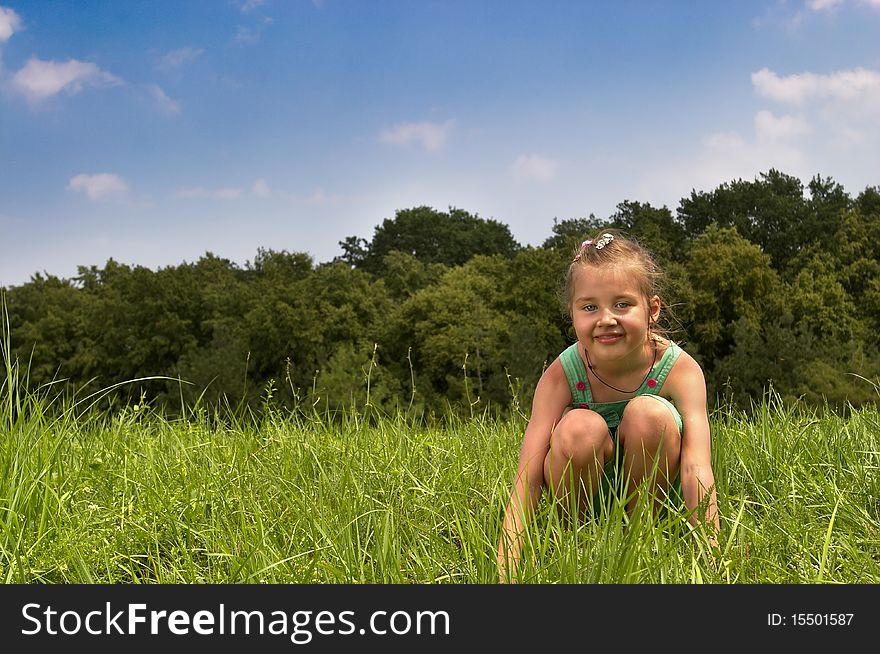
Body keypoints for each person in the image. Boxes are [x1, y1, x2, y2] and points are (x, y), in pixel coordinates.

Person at [497, 230, 720, 582]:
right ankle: (573, 541)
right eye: (589, 307)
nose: (606, 319)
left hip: (653, 499)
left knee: (650, 415)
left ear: (653, 310)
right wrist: (506, 571)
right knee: (578, 428)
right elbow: (527, 479)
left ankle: (641, 538)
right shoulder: (561, 375)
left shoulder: (680, 369)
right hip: (581, 502)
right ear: (572, 315)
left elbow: (696, 468)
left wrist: (712, 556)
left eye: (622, 304)